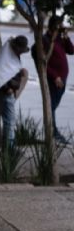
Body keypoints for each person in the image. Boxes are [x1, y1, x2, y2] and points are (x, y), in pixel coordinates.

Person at [0, 36, 29, 148]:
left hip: (9, 90)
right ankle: (9, 149)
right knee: (9, 121)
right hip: (5, 92)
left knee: (9, 121)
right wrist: (7, 88)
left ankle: (9, 147)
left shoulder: (10, 53)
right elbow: (0, 75)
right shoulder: (7, 55)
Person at [43, 15, 74, 143]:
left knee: (53, 106)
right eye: (59, 27)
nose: (61, 29)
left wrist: (66, 37)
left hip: (63, 78)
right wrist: (55, 77)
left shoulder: (59, 39)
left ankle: (53, 132)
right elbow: (44, 64)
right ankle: (53, 133)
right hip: (55, 79)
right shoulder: (45, 40)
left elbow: (71, 51)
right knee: (51, 106)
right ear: (53, 27)